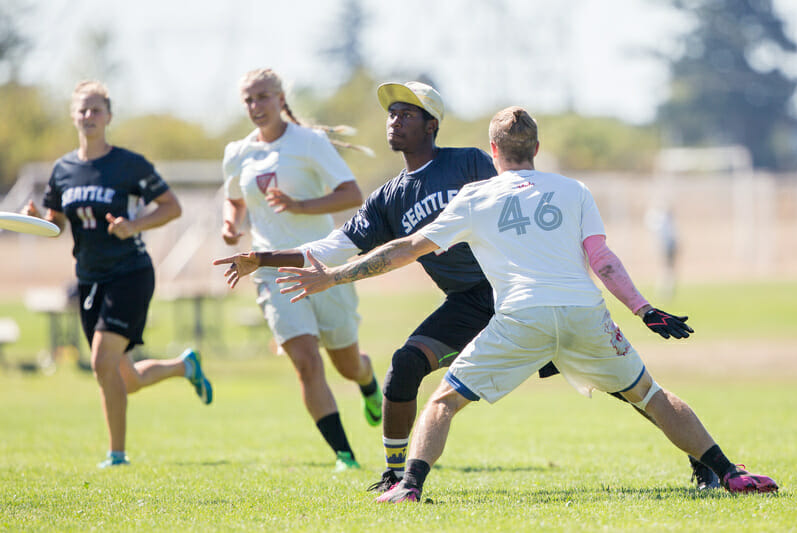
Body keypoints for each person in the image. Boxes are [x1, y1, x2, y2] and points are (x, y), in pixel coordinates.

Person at [214, 81, 719, 491]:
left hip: (517, 294)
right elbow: (330, 249)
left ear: (431, 125)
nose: (394, 120)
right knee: (405, 366)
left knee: (625, 389)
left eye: (406, 113)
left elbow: (522, 187)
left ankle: (702, 461)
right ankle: (395, 473)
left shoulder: (473, 164)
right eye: (391, 113)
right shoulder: (388, 198)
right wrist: (261, 257)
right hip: (470, 304)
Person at [23, 80, 212, 468]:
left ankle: (117, 455)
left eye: (96, 109)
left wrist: (134, 225)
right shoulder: (63, 170)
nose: (88, 116)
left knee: (99, 363)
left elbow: (171, 207)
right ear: (73, 115)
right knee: (124, 377)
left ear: (109, 116)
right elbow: (55, 224)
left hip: (130, 273)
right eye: (82, 110)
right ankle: (184, 366)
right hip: (89, 278)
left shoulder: (129, 164)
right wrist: (35, 222)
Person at [219, 68, 380, 472]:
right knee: (307, 361)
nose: (256, 106)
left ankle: (368, 382)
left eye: (263, 97)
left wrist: (299, 205)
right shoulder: (237, 153)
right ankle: (345, 456)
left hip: (322, 264)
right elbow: (235, 199)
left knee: (347, 365)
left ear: (280, 98)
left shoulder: (309, 142)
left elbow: (352, 193)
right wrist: (230, 224)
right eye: (249, 100)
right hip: (270, 269)